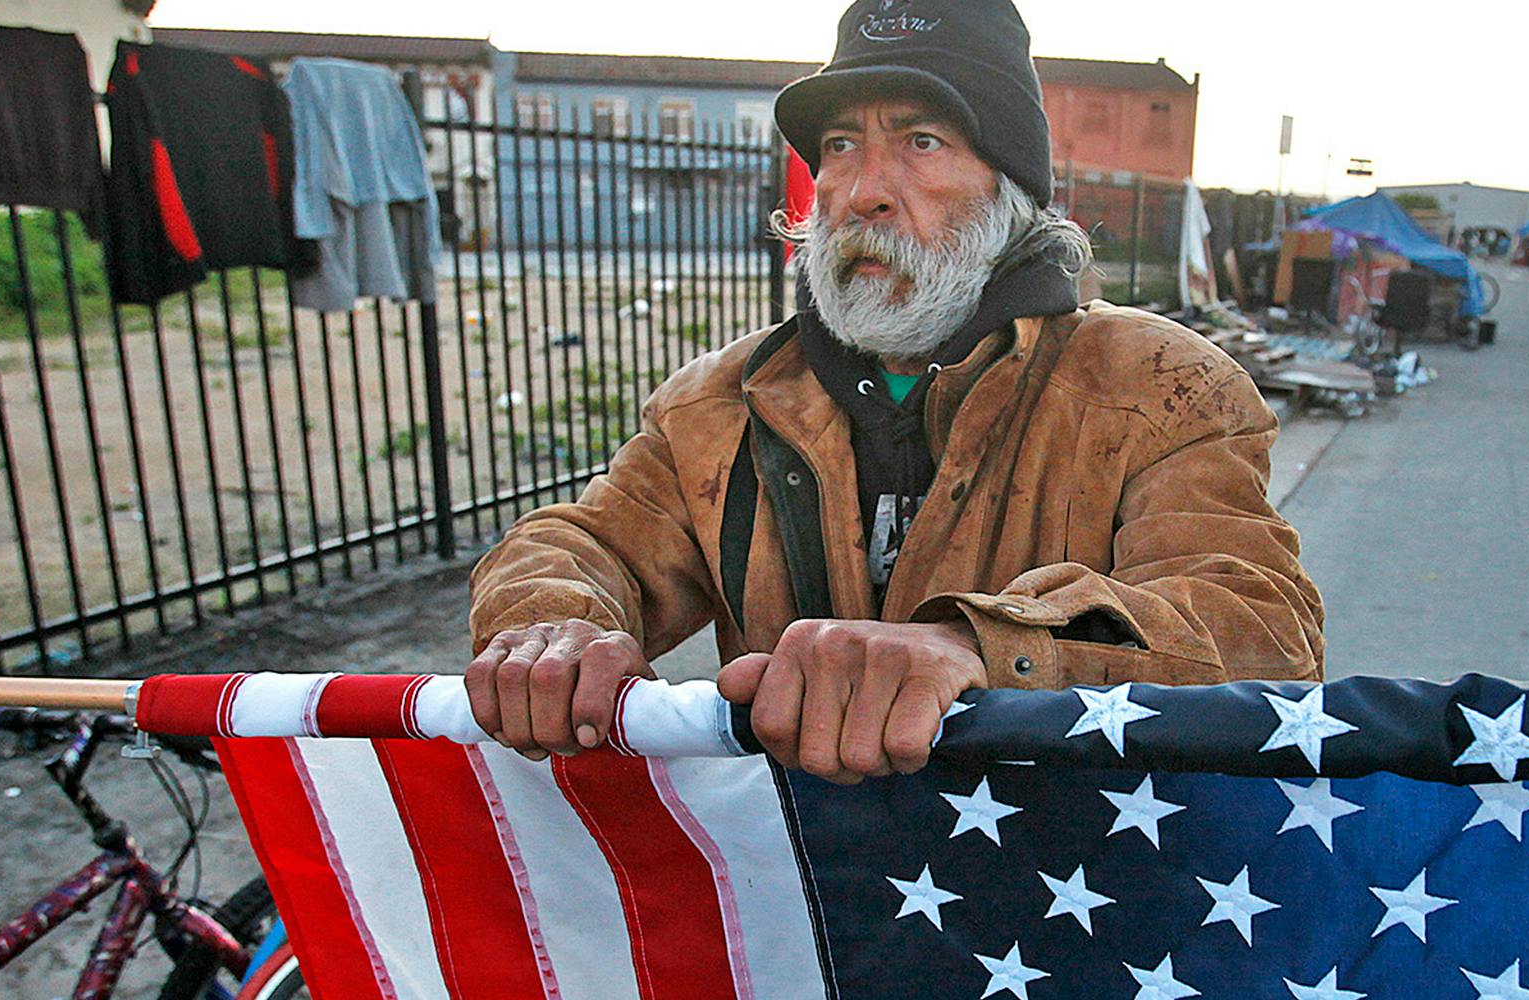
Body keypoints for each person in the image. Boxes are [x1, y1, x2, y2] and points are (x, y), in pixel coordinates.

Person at [463, 0, 1322, 785]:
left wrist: (979, 649)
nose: (860, 190)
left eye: (921, 142)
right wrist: (554, 622)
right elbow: (583, 542)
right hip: (800, 881)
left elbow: (1258, 625)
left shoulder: (1160, 385)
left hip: (1061, 881)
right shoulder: (723, 399)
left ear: (1009, 187)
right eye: (839, 146)